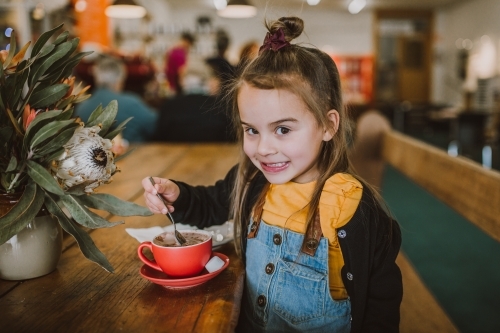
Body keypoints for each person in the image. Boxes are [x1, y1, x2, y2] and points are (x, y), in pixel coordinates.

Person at [142, 16, 402, 333]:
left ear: (328, 126)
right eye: (251, 130)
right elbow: (210, 203)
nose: (263, 148)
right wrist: (178, 195)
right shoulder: (252, 180)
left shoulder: (352, 207)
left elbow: (381, 305)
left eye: (282, 129)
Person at [75, 55, 158, 143]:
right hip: (134, 154)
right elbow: (158, 126)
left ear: (96, 78)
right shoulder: (132, 104)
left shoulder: (82, 107)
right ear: (120, 80)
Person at [164, 31, 196, 96]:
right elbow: (181, 70)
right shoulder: (180, 53)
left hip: (170, 84)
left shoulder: (173, 50)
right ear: (187, 41)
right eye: (190, 45)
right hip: (176, 86)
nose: (189, 48)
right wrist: (183, 86)